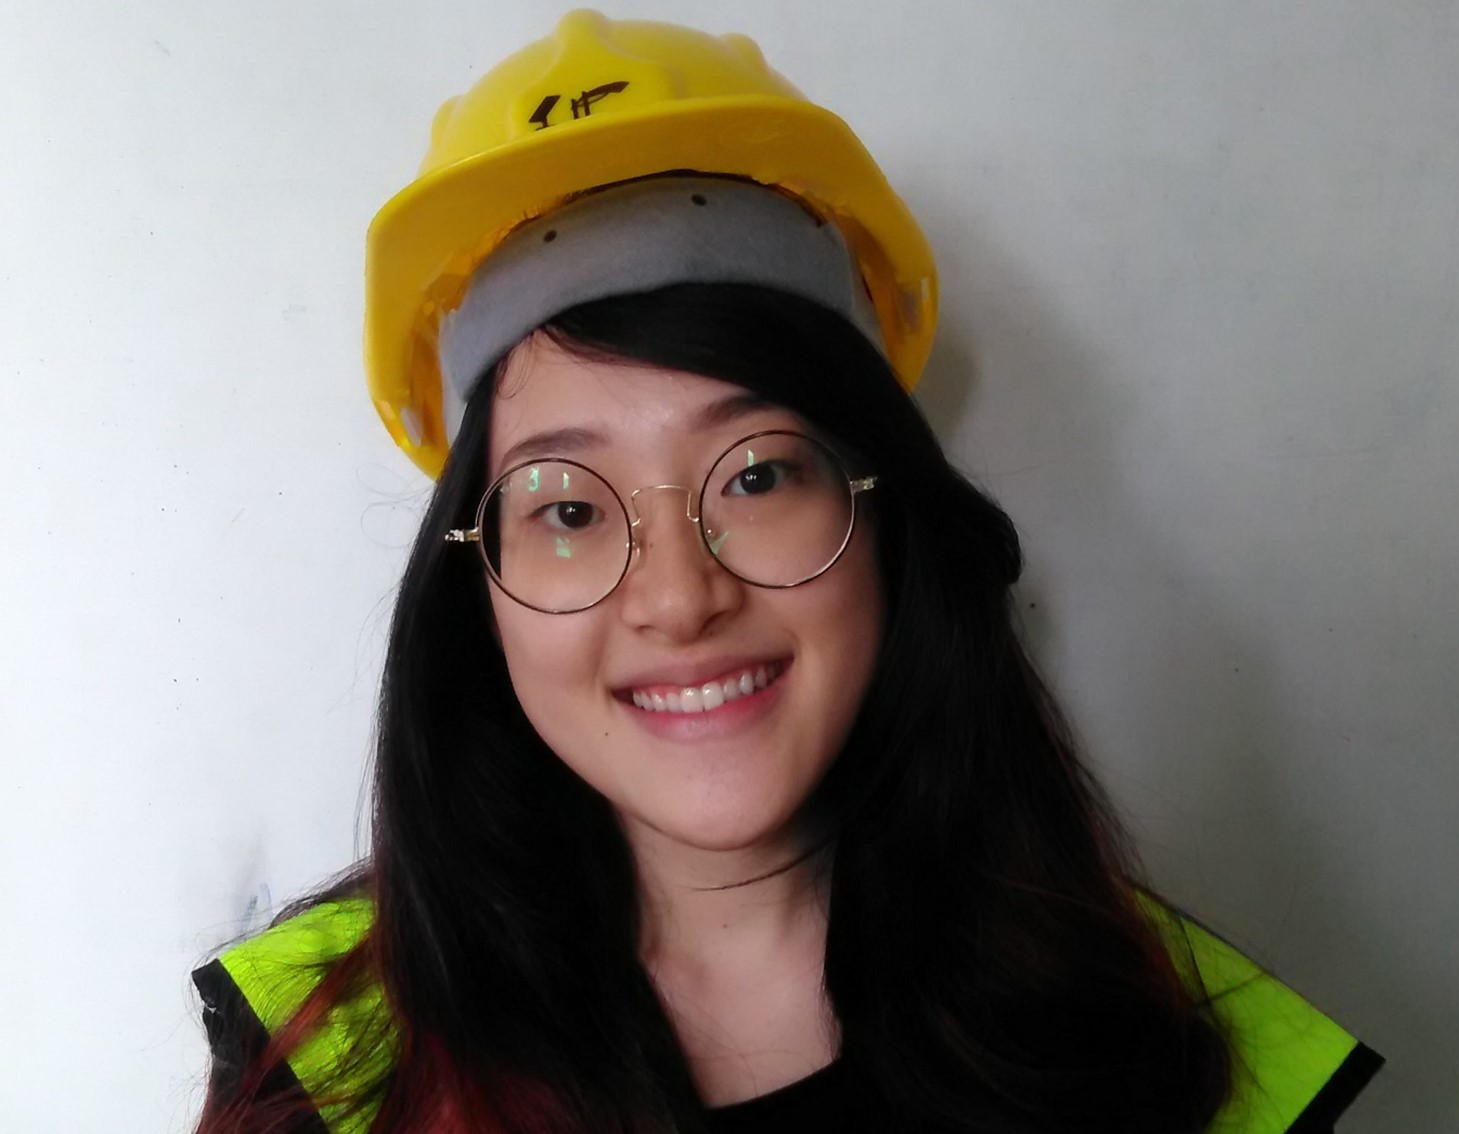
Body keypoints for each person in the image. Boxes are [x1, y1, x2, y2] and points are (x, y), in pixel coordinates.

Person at [191, 11, 1382, 1133]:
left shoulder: (1177, 1051)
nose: (678, 599)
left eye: (758, 476)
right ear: (479, 584)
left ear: (886, 514)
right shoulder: (329, 1058)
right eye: (569, 507)